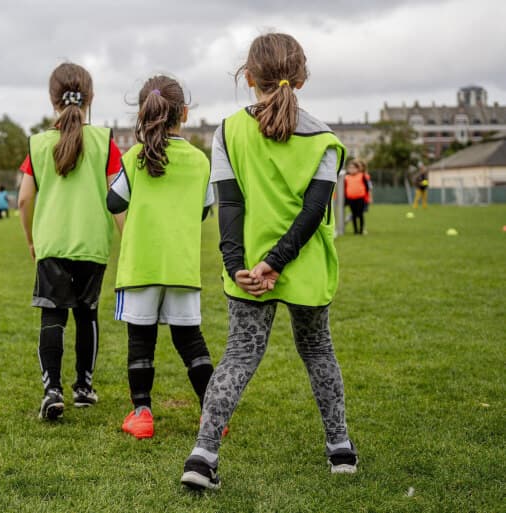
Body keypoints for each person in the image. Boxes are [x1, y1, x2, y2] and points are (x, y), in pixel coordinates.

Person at [180, 33, 357, 491]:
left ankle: (202, 458)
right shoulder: (325, 139)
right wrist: (277, 263)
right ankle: (340, 449)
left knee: (239, 354)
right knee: (318, 350)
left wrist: (240, 263)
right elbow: (313, 212)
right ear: (301, 77)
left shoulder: (226, 130)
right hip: (303, 266)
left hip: (249, 270)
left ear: (249, 76)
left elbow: (230, 204)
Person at [107, 75, 216, 439]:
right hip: (181, 265)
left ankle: (142, 415)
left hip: (141, 264)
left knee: (141, 340)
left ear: (143, 112)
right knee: (190, 340)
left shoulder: (135, 156)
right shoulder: (200, 161)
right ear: (184, 113)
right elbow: (204, 210)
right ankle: (213, 415)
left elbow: (114, 201)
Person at [17, 62, 121, 421]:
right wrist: (129, 238)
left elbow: (23, 200)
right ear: (90, 97)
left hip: (52, 244)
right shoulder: (106, 141)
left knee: (52, 317)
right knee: (87, 314)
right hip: (92, 244)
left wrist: (32, 240)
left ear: (52, 99)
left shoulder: (38, 144)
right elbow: (117, 199)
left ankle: (52, 390)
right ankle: (84, 388)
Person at [344, 159, 370, 235]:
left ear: (357, 169)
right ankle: (355, 231)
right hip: (351, 199)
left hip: (360, 199)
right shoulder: (346, 177)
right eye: (350, 168)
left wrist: (366, 197)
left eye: (353, 168)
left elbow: (367, 187)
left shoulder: (362, 176)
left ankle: (361, 230)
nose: (351, 169)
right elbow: (345, 189)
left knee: (360, 214)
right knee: (354, 215)